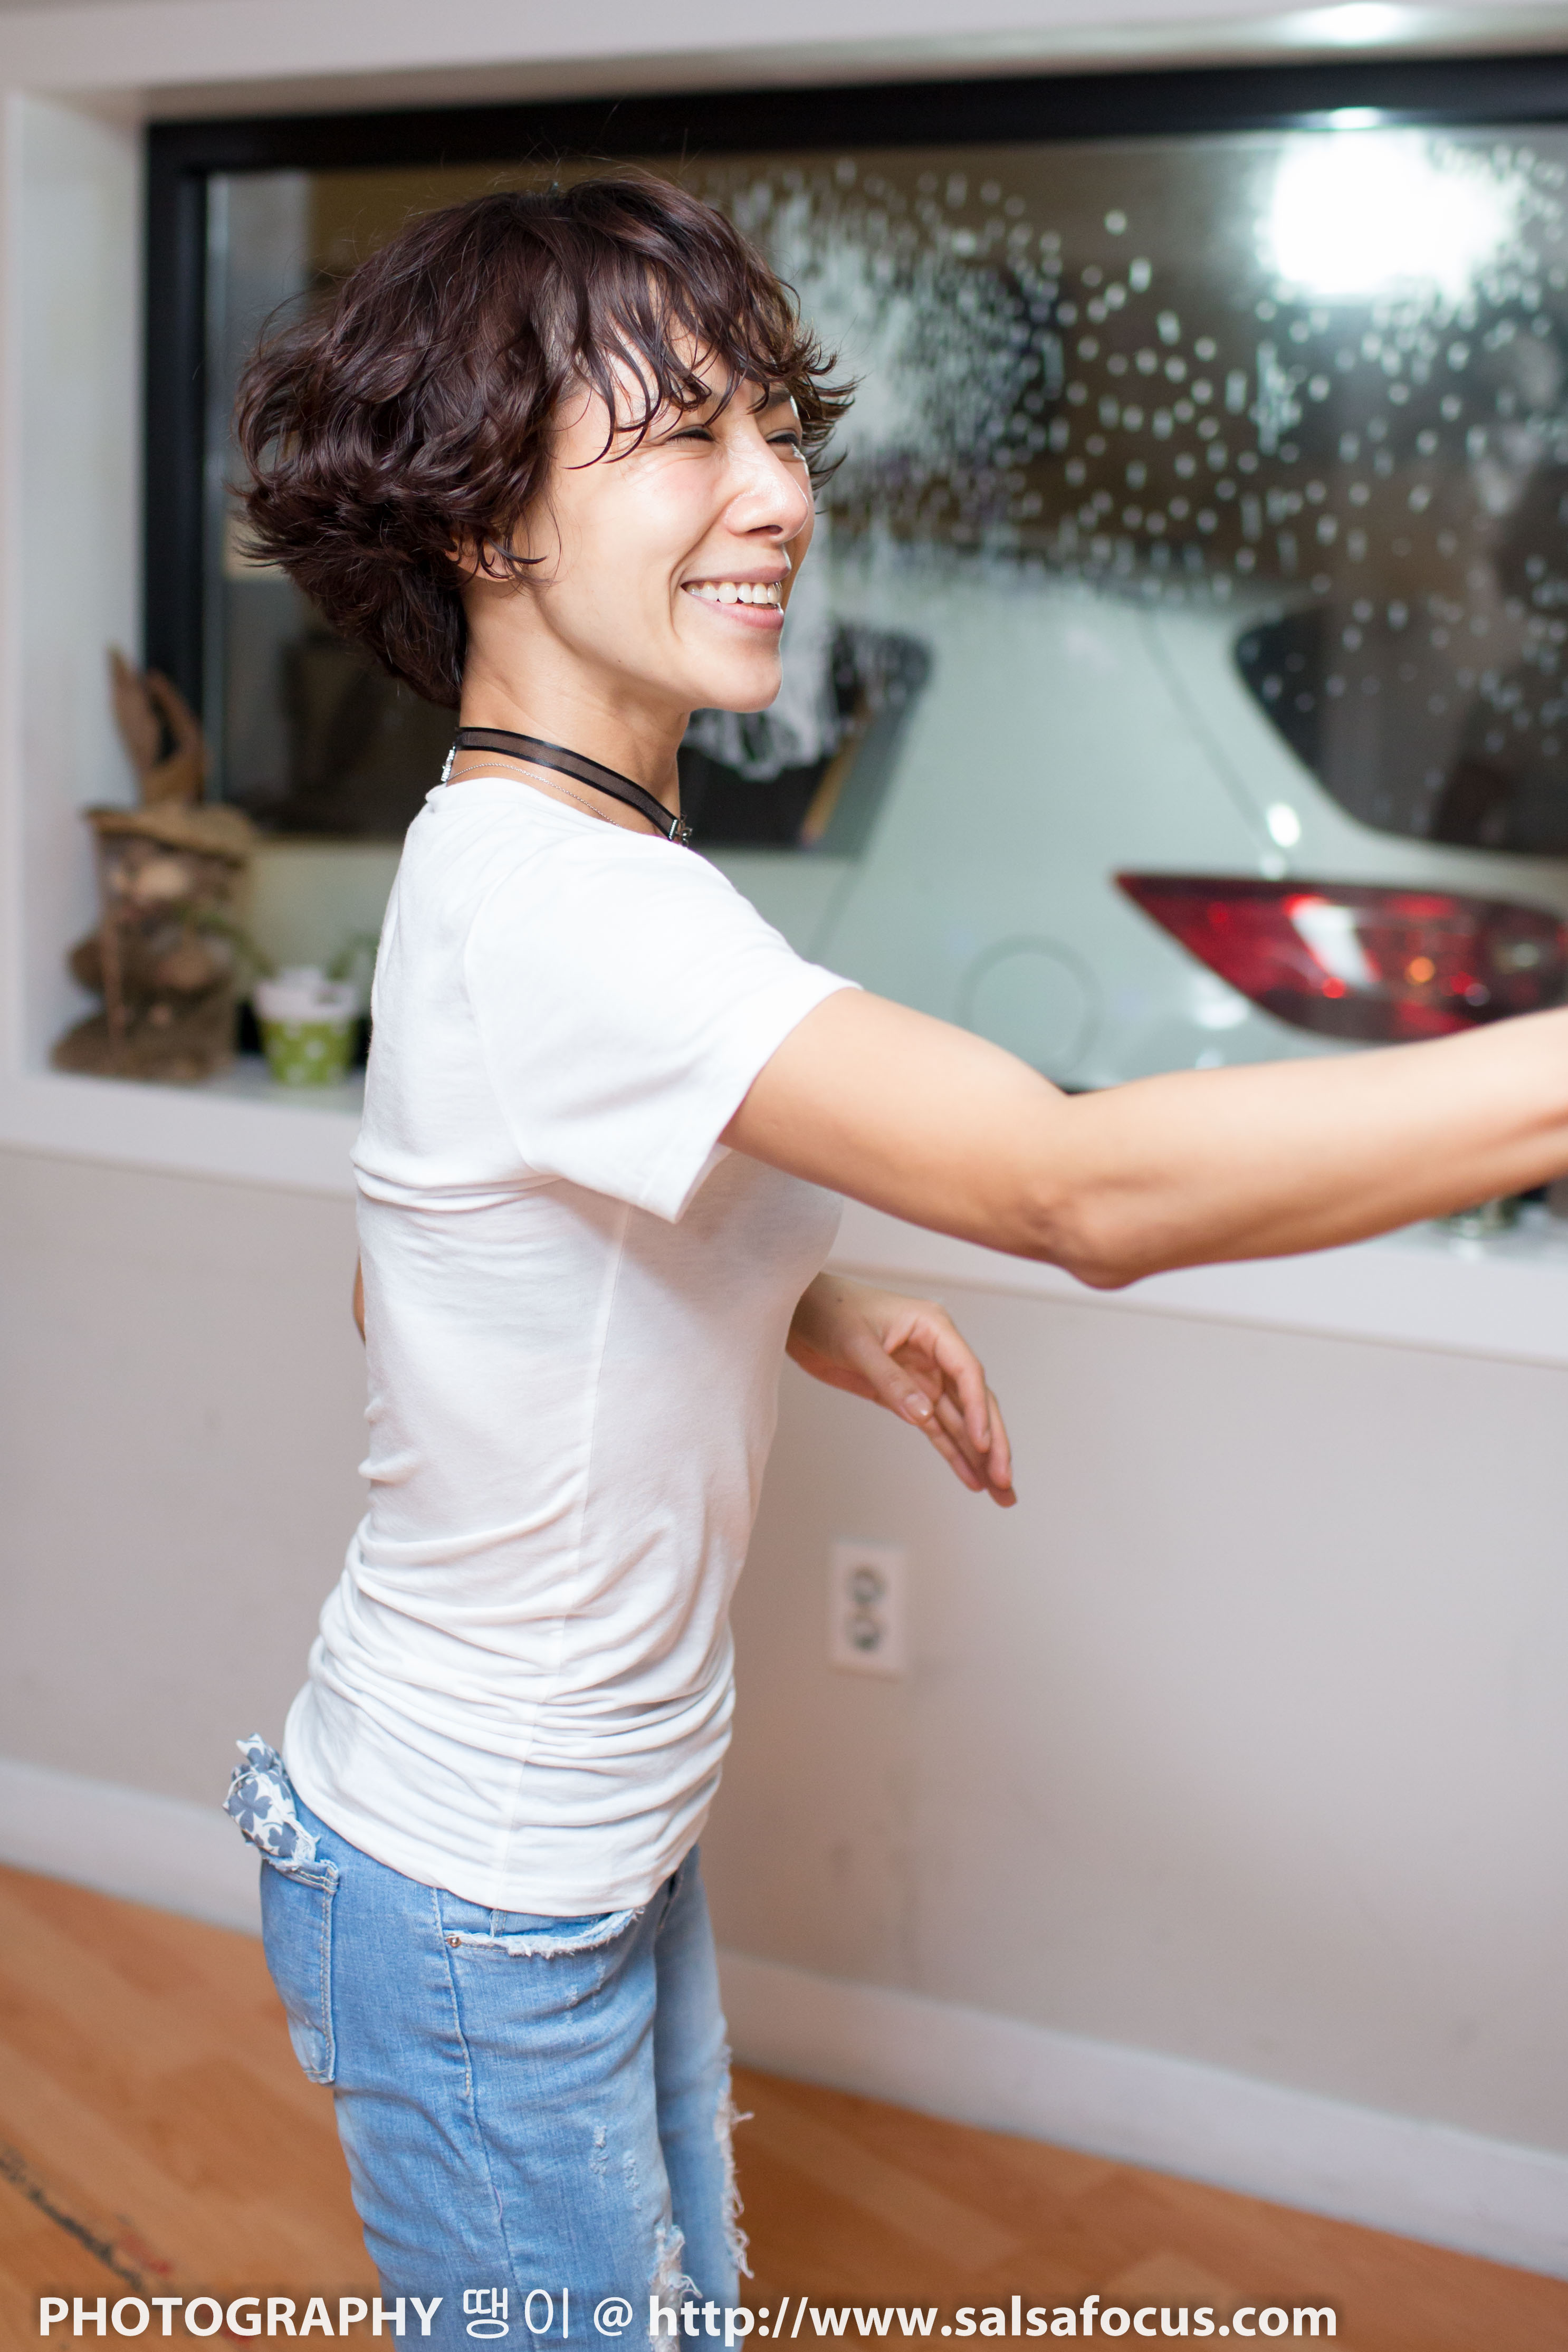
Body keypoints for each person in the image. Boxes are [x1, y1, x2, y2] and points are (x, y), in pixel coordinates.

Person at [226, 179, 1568, 2343]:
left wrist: (804, 1297)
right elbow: (1072, 1191)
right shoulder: (577, 908)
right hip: (477, 1883)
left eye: (778, 430)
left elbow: (414, 1264)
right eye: (685, 432)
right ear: (482, 517)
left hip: (571, 1831)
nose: (779, 495)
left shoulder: (526, 841)